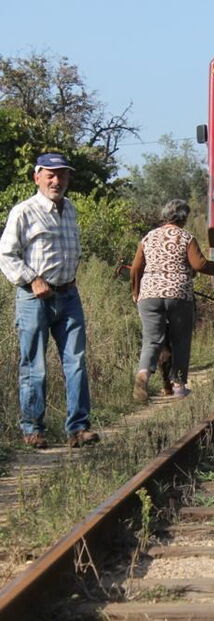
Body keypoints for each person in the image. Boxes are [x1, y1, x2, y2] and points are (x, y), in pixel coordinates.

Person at [0, 153, 99, 449]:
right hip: (34, 298)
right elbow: (6, 254)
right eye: (50, 175)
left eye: (62, 175)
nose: (57, 181)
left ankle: (78, 428)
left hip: (68, 295)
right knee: (34, 364)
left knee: (77, 361)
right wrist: (32, 279)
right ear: (37, 177)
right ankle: (32, 428)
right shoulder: (24, 211)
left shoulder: (70, 209)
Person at [130, 199, 214, 402]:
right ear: (183, 218)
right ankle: (179, 385)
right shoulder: (185, 237)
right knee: (180, 340)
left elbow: (136, 267)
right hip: (178, 295)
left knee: (152, 340)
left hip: (149, 295)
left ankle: (143, 376)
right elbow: (199, 264)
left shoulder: (148, 237)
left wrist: (136, 292)